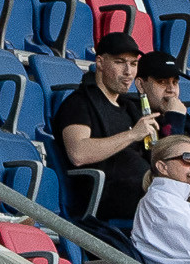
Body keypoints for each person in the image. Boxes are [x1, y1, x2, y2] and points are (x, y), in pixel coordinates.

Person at [50, 34, 154, 231]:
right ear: (100, 62)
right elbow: (78, 153)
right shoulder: (79, 103)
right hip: (106, 200)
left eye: (133, 64)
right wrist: (132, 135)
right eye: (120, 63)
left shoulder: (130, 108)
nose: (128, 72)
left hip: (143, 194)